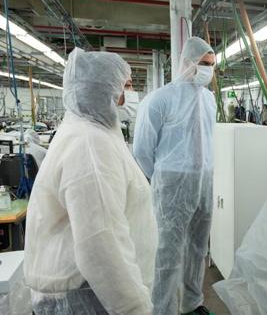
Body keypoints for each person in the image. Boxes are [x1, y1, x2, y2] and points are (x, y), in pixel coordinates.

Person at [24, 48, 157, 314]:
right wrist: (135, 308)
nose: (132, 93)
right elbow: (101, 245)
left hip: (89, 291)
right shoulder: (90, 144)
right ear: (103, 90)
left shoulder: (93, 132)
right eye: (126, 85)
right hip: (86, 296)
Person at [133, 37, 216, 315]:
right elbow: (142, 149)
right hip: (171, 187)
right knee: (167, 252)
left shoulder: (209, 99)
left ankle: (192, 303)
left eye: (212, 65)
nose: (208, 70)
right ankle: (163, 308)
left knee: (197, 248)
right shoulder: (159, 99)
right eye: (204, 64)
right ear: (188, 63)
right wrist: (161, 181)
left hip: (203, 182)